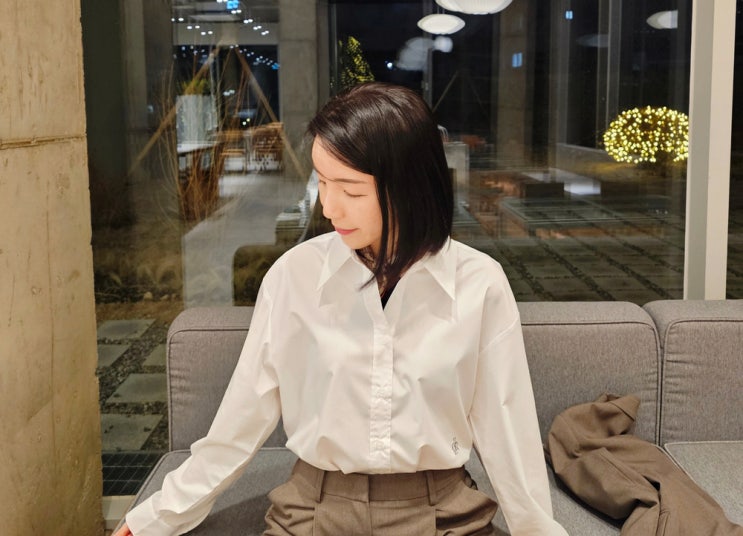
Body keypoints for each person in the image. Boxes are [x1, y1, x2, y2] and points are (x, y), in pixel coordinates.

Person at [115, 82, 568, 536]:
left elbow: (507, 430)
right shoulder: (295, 276)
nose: (330, 208)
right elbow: (239, 424)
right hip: (313, 510)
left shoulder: (479, 284)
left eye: (351, 191)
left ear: (410, 187)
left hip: (443, 513)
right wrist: (155, 519)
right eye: (322, 182)